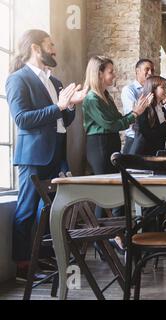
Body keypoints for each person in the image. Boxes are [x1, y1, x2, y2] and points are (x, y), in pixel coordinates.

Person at [6, 29, 86, 280]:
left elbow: (65, 120)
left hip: (58, 153)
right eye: (50, 45)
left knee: (51, 210)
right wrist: (59, 106)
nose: (55, 50)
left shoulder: (56, 82)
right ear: (35, 48)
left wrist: (70, 105)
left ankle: (43, 258)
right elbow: (22, 119)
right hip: (33, 156)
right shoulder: (18, 79)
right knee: (27, 212)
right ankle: (22, 268)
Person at [82, 56, 148, 218]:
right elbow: (111, 124)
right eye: (111, 72)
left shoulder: (105, 96)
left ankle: (112, 235)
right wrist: (135, 113)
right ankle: (100, 239)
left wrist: (129, 117)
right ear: (99, 74)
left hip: (109, 144)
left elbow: (118, 119)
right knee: (104, 194)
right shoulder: (91, 98)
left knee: (112, 192)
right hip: (99, 146)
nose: (114, 75)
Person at [130, 75, 166, 156]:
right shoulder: (144, 109)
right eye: (162, 87)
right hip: (142, 155)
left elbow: (164, 135)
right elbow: (150, 136)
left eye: (165, 87)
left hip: (157, 153)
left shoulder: (161, 109)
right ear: (153, 89)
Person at [120, 59, 155, 154]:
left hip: (149, 139)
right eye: (147, 69)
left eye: (152, 70)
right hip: (134, 139)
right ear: (137, 71)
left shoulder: (152, 90)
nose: (150, 73)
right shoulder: (129, 90)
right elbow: (134, 115)